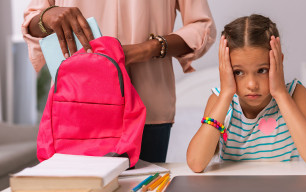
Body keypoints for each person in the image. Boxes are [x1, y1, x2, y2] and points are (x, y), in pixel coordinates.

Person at [22, 0, 216, 162]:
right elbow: (31, 22)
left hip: (147, 106)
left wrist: (146, 49)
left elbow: (202, 26)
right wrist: (46, 17)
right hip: (74, 108)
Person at [187, 14, 306, 173]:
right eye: (239, 72)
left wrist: (281, 94)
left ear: (278, 62)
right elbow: (196, 164)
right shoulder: (220, 100)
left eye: (262, 70)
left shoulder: (294, 94)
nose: (252, 85)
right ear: (225, 69)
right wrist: (226, 93)